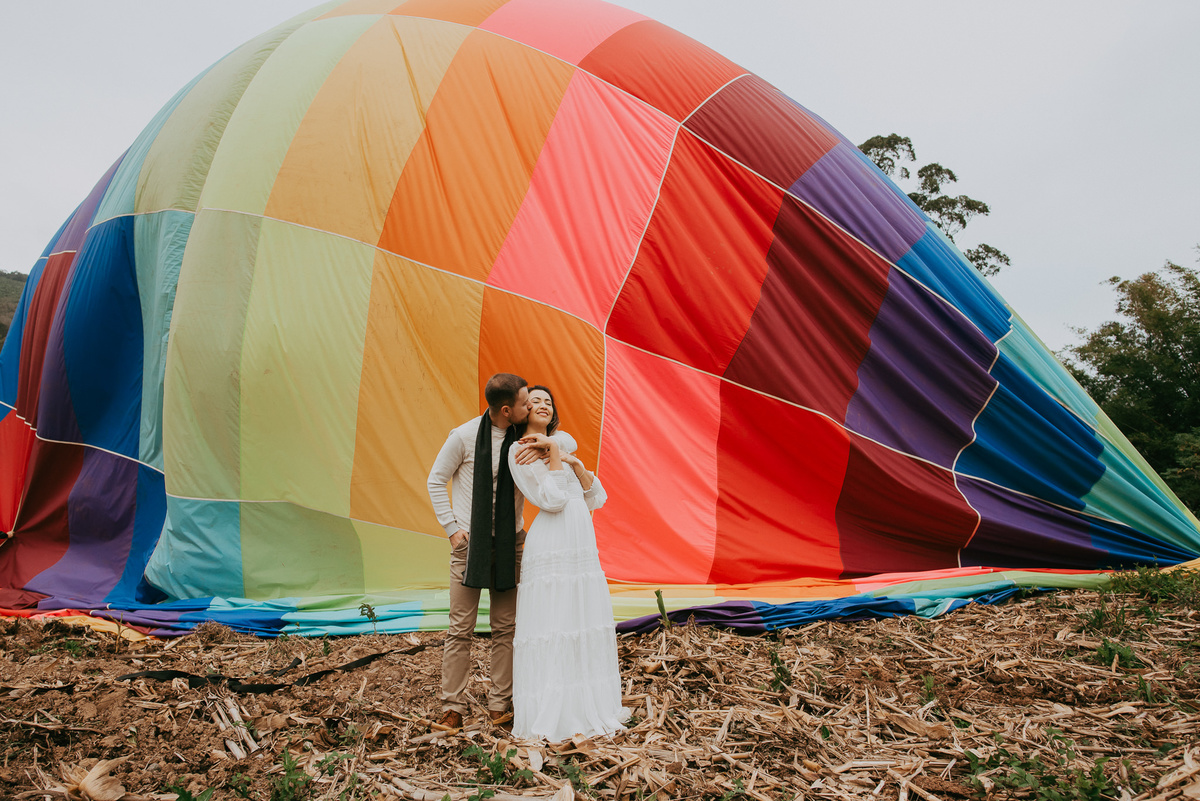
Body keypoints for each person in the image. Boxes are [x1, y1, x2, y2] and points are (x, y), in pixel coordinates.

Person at [426, 373, 575, 731]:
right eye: (526, 402)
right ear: (507, 410)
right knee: (460, 628)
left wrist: (548, 445)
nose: (532, 406)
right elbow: (435, 479)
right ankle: (452, 708)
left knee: (505, 628)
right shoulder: (462, 437)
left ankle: (499, 705)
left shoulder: (528, 438)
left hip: (513, 544)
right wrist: (452, 530)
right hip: (469, 545)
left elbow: (566, 442)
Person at [507, 385, 625, 741]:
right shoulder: (520, 451)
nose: (542, 405)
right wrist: (556, 454)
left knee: (581, 616)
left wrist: (570, 460)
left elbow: (594, 497)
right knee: (556, 620)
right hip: (552, 541)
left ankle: (587, 702)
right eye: (534, 401)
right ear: (522, 411)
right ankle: (556, 709)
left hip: (580, 540)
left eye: (548, 401)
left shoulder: (560, 445)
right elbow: (553, 500)